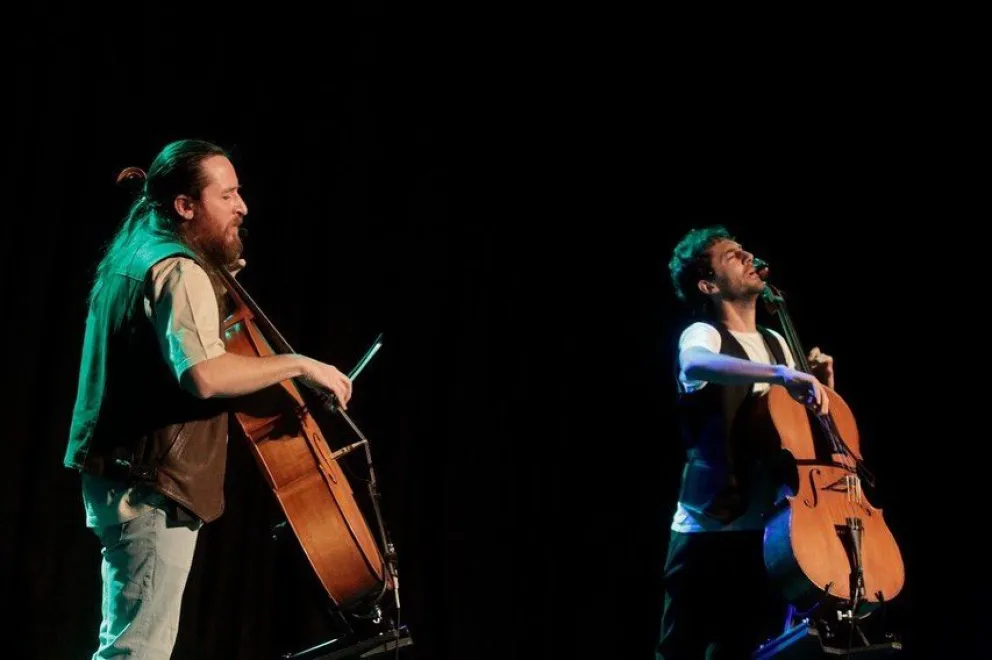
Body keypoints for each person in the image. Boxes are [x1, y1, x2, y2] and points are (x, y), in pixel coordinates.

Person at [64, 139, 355, 660]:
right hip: (153, 485)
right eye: (228, 194)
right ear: (185, 206)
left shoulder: (133, 253)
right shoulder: (179, 269)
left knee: (127, 642)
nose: (242, 205)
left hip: (122, 475)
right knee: (138, 651)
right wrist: (300, 363)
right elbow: (203, 374)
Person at [656, 225, 836, 659]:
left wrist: (822, 387)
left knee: (745, 649)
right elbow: (694, 363)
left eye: (744, 249)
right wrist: (781, 375)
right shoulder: (705, 333)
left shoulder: (776, 343)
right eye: (732, 255)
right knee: (683, 650)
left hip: (767, 529)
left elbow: (793, 430)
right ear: (709, 284)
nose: (747, 256)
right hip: (709, 526)